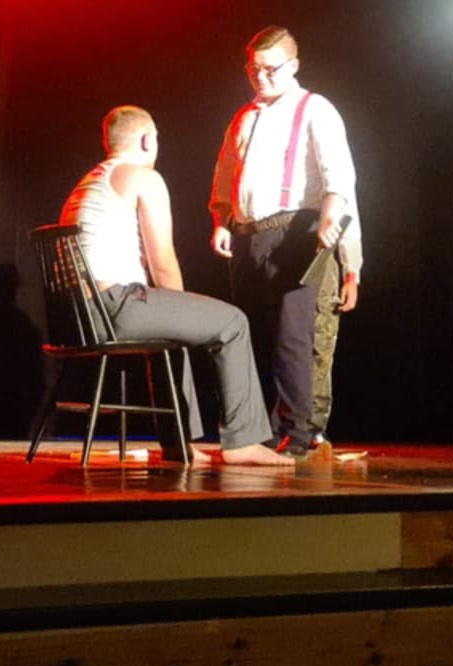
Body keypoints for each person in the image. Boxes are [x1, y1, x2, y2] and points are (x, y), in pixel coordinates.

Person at [60, 105, 293, 466]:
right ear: (146, 140)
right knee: (233, 322)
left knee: (169, 328)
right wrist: (185, 310)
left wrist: (179, 317)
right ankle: (243, 441)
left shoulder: (88, 182)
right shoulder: (143, 177)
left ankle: (177, 443)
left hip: (74, 317)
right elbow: (162, 262)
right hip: (112, 307)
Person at [209, 26, 363, 456]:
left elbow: (339, 174)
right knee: (248, 333)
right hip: (248, 236)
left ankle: (297, 433)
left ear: (293, 65)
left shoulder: (315, 108)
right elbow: (225, 173)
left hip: (294, 230)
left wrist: (333, 220)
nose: (261, 77)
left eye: (270, 69)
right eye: (253, 69)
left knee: (292, 336)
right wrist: (221, 219)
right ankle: (253, 430)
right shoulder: (244, 116)